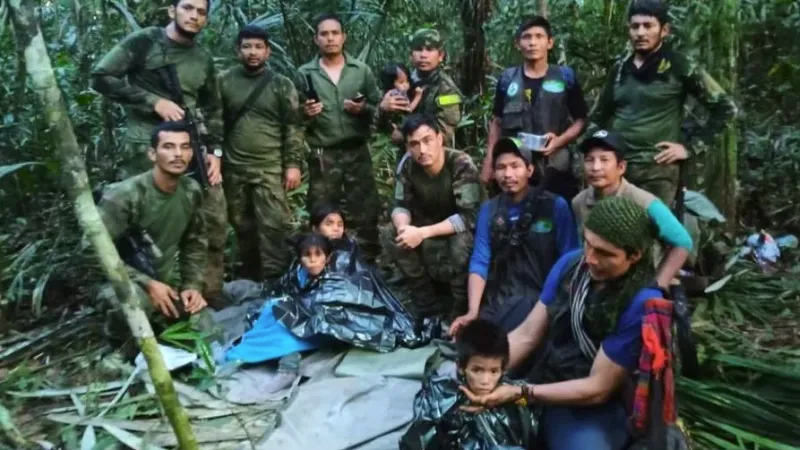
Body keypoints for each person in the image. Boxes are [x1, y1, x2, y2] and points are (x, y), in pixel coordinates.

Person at [459, 196, 663, 450]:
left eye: (604, 253)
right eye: (588, 244)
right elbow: (527, 334)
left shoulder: (641, 303)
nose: (590, 258)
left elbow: (598, 388)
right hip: (548, 374)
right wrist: (479, 371)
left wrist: (522, 393)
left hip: (592, 404)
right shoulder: (570, 265)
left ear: (634, 255)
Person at [91, 0, 228, 304]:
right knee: (142, 224)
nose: (194, 16)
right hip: (146, 147)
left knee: (212, 218)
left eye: (201, 11)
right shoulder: (145, 42)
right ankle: (142, 293)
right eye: (188, 8)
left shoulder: (202, 58)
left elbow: (213, 107)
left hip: (190, 144)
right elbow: (101, 77)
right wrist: (152, 102)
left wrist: (214, 151)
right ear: (172, 11)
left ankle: (205, 294)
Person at [590, 0, 737, 205]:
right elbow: (597, 117)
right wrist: (593, 157)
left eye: (648, 26)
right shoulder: (620, 69)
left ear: (664, 30)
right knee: (611, 230)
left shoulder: (680, 66)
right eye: (635, 26)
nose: (640, 33)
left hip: (658, 171)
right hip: (618, 169)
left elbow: (726, 109)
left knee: (651, 233)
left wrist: (689, 148)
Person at [450, 137, 579, 335]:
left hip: (541, 298)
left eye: (515, 166)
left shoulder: (554, 206)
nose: (508, 174)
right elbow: (480, 260)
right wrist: (472, 311)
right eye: (501, 167)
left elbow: (569, 259)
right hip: (500, 296)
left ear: (529, 170)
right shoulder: (489, 210)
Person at [98, 122, 209, 336]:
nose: (178, 154)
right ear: (152, 154)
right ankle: (117, 350)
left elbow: (195, 242)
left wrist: (192, 285)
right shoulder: (124, 196)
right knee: (135, 304)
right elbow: (92, 252)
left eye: (185, 147)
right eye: (168, 147)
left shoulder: (191, 190)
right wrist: (147, 284)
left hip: (163, 279)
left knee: (205, 327)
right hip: (120, 280)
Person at [294, 13, 383, 263]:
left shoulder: (360, 71)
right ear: (316, 39)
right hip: (324, 153)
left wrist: (362, 109)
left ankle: (367, 262)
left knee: (366, 207)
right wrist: (306, 113)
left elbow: (379, 108)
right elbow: (293, 117)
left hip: (357, 150)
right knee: (322, 208)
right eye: (324, 34)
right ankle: (325, 261)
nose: (330, 38)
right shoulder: (304, 73)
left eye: (335, 33)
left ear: (344, 37)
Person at [218, 25, 304, 282]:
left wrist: (293, 164)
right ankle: (249, 279)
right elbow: (213, 122)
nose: (252, 52)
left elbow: (293, 126)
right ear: (238, 50)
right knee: (243, 227)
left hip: (270, 168)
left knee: (274, 227)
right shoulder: (223, 81)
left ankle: (276, 280)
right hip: (234, 168)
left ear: (268, 52)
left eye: (258, 47)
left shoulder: (281, 85)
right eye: (247, 46)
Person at [380, 114, 483, 319]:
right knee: (390, 232)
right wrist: (403, 229)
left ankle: (460, 304)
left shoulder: (460, 163)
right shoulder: (408, 166)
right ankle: (425, 299)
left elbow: (469, 216)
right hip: (425, 225)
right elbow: (400, 205)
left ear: (439, 138)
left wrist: (422, 233)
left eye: (427, 140)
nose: (422, 150)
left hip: (458, 228)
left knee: (462, 242)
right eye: (414, 144)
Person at [482, 16, 588, 201]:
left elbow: (581, 120)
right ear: (518, 43)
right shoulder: (508, 80)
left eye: (539, 36)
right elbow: (497, 121)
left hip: (555, 167)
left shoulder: (565, 78)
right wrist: (490, 160)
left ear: (550, 43)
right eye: (527, 37)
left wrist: (559, 141)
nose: (532, 42)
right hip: (515, 169)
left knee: (555, 217)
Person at [573, 129, 693, 289]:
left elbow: (683, 242)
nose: (595, 167)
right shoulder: (579, 201)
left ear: (621, 167)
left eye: (604, 160)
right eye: (589, 160)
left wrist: (658, 284)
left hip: (637, 282)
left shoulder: (644, 202)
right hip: (597, 278)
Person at [399, 319, 537, 449]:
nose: (485, 381)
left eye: (494, 371)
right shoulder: (444, 396)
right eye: (477, 370)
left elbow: (527, 405)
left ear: (503, 369)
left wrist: (518, 397)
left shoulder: (512, 394)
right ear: (461, 367)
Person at [379, 29, 462, 148]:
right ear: (410, 55)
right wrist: (383, 109)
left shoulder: (447, 90)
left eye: (429, 50)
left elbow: (444, 133)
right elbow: (377, 125)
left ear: (440, 56)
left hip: (434, 158)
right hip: (406, 158)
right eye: (418, 49)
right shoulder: (399, 79)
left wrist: (405, 137)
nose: (423, 55)